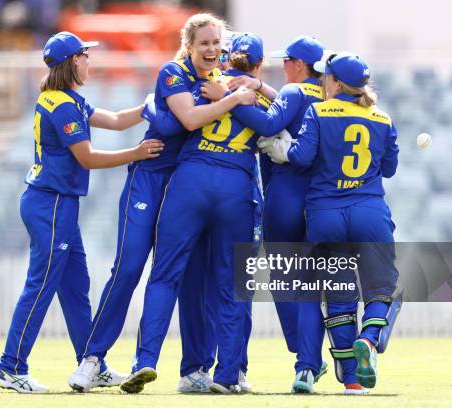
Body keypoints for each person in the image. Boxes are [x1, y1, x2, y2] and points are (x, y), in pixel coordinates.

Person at [67, 13, 256, 393]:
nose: (213, 50)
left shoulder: (218, 78)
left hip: (187, 184)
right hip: (152, 178)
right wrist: (235, 98)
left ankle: (195, 369)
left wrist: (250, 88)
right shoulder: (173, 72)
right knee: (130, 267)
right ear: (189, 46)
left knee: (193, 279)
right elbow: (185, 120)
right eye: (204, 43)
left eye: (217, 44)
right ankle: (92, 359)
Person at [0, 31, 164, 394]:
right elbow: (87, 157)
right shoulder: (63, 105)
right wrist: (138, 152)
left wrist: (149, 106)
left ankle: (90, 360)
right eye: (84, 55)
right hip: (50, 203)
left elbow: (115, 119)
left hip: (57, 203)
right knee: (41, 285)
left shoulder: (66, 99)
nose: (89, 61)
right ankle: (10, 365)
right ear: (71, 62)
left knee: (74, 287)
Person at [120, 31, 268, 395]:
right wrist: (256, 92)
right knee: (231, 284)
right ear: (259, 65)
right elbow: (281, 127)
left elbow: (176, 117)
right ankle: (230, 374)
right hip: (235, 187)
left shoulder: (202, 85)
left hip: (190, 182)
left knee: (165, 276)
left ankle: (146, 361)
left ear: (224, 56)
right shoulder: (256, 101)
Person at [259, 52, 400, 394]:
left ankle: (351, 379)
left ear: (336, 82)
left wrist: (282, 151)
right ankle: (369, 337)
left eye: (327, 78)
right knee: (383, 286)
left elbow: (303, 156)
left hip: (326, 215)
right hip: (368, 211)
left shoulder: (319, 111)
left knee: (338, 296)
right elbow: (389, 168)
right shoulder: (382, 117)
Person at [203, 35, 329, 393]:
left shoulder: (291, 91)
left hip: (287, 193)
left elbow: (270, 125)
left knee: (284, 279)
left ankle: (306, 356)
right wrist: (258, 86)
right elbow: (285, 108)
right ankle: (311, 360)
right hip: (320, 197)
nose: (282, 66)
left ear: (298, 65)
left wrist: (227, 101)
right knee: (311, 283)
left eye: (287, 61)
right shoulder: (328, 97)